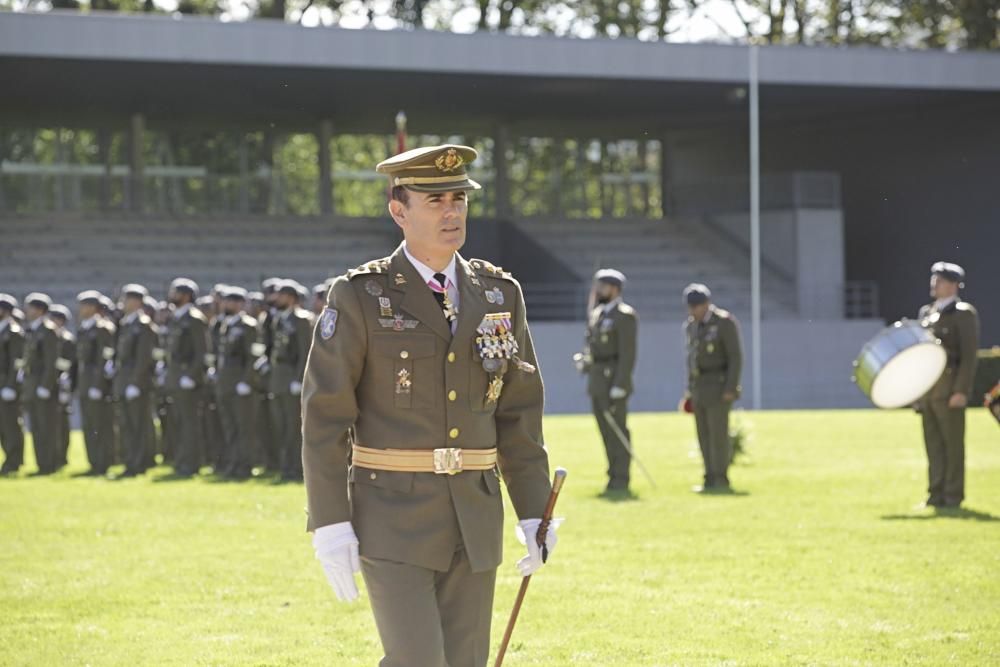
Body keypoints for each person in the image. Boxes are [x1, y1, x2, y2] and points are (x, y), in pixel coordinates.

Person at [302, 144, 556, 667]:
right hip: (392, 515)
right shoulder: (361, 295)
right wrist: (329, 522)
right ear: (399, 211)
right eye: (435, 199)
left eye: (459, 198)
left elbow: (519, 413)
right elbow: (325, 416)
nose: (452, 211)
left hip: (475, 513)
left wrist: (533, 511)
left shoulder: (498, 293)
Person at [916, 262, 979, 509]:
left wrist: (961, 390)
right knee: (933, 445)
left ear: (953, 285)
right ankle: (935, 494)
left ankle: (953, 496)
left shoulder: (963, 313)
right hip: (929, 390)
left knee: (952, 446)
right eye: (934, 279)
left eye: (940, 280)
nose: (935, 284)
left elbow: (968, 356)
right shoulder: (926, 312)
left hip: (949, 389)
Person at [574, 269, 638, 494]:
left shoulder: (625, 315)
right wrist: (586, 362)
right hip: (598, 381)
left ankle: (622, 477)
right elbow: (594, 347)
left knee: (617, 430)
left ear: (615, 289)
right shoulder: (598, 314)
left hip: (613, 381)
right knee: (604, 431)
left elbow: (627, 354)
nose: (598, 291)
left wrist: (621, 384)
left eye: (603, 286)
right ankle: (612, 475)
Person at [683, 283, 743, 492]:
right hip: (700, 387)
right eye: (691, 307)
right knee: (703, 435)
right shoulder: (691, 326)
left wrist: (731, 387)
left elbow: (735, 357)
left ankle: (721, 477)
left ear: (707, 304)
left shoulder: (724, 322)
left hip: (718, 385)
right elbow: (691, 359)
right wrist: (689, 390)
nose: (694, 311)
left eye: (697, 306)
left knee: (718, 435)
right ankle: (708, 476)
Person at [112, 284, 158, 477]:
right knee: (127, 425)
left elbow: (143, 358)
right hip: (124, 381)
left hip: (135, 383)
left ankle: (137, 464)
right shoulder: (127, 324)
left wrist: (135, 383)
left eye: (127, 298)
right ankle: (130, 461)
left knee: (137, 425)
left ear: (137, 301)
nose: (123, 302)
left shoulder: (143, 325)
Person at [269, 280, 312, 482]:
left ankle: (295, 468)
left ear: (291, 297)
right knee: (280, 425)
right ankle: (285, 466)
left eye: (281, 295)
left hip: (291, 378)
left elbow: (305, 352)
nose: (276, 298)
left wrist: (299, 379)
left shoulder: (301, 319)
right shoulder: (280, 319)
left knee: (293, 427)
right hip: (279, 378)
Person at [165, 278, 208, 477]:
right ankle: (181, 460)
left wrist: (191, 375)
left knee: (189, 424)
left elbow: (201, 351)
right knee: (179, 422)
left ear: (187, 295)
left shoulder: (194, 318)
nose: (172, 295)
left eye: (177, 292)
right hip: (176, 377)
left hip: (187, 379)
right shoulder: (178, 317)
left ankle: (191, 463)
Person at [215, 286, 258, 479]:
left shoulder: (247, 325)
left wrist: (247, 380)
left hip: (240, 383)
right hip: (225, 382)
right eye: (225, 300)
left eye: (231, 300)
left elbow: (252, 356)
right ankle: (233, 463)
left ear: (240, 303)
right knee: (230, 426)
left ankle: (244, 465)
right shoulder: (226, 325)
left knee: (243, 427)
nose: (226, 304)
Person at [75, 291, 117, 476]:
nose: (81, 309)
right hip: (85, 385)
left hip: (96, 387)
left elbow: (104, 360)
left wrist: (97, 385)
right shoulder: (84, 328)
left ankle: (103, 463)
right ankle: (93, 463)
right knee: (89, 426)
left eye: (84, 305)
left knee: (100, 426)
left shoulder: (102, 328)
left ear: (93, 307)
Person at [21, 293, 61, 475]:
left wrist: (45, 385)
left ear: (39, 310)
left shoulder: (48, 330)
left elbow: (51, 362)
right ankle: (41, 464)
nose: (26, 311)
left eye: (29, 307)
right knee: (36, 428)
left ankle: (49, 464)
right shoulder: (34, 330)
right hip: (32, 387)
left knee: (46, 428)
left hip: (43, 388)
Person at [48, 304, 77, 469]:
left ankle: (61, 456)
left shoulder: (66, 339)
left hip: (62, 384)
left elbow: (68, 364)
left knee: (62, 423)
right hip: (50, 383)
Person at [0, 294, 26, 475]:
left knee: (10, 426)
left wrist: (11, 385)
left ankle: (13, 462)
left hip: (7, 386)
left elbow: (18, 362)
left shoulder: (14, 331)